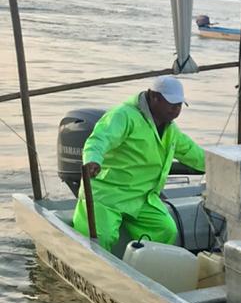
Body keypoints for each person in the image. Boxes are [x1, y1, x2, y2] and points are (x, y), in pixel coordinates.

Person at [73, 75, 205, 254]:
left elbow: (194, 153)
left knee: (166, 229)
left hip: (142, 198)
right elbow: (99, 139)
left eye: (180, 105)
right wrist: (92, 160)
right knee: (99, 238)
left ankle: (146, 272)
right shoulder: (123, 115)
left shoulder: (170, 130)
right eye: (171, 104)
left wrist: (222, 166)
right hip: (107, 195)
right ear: (154, 97)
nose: (176, 110)